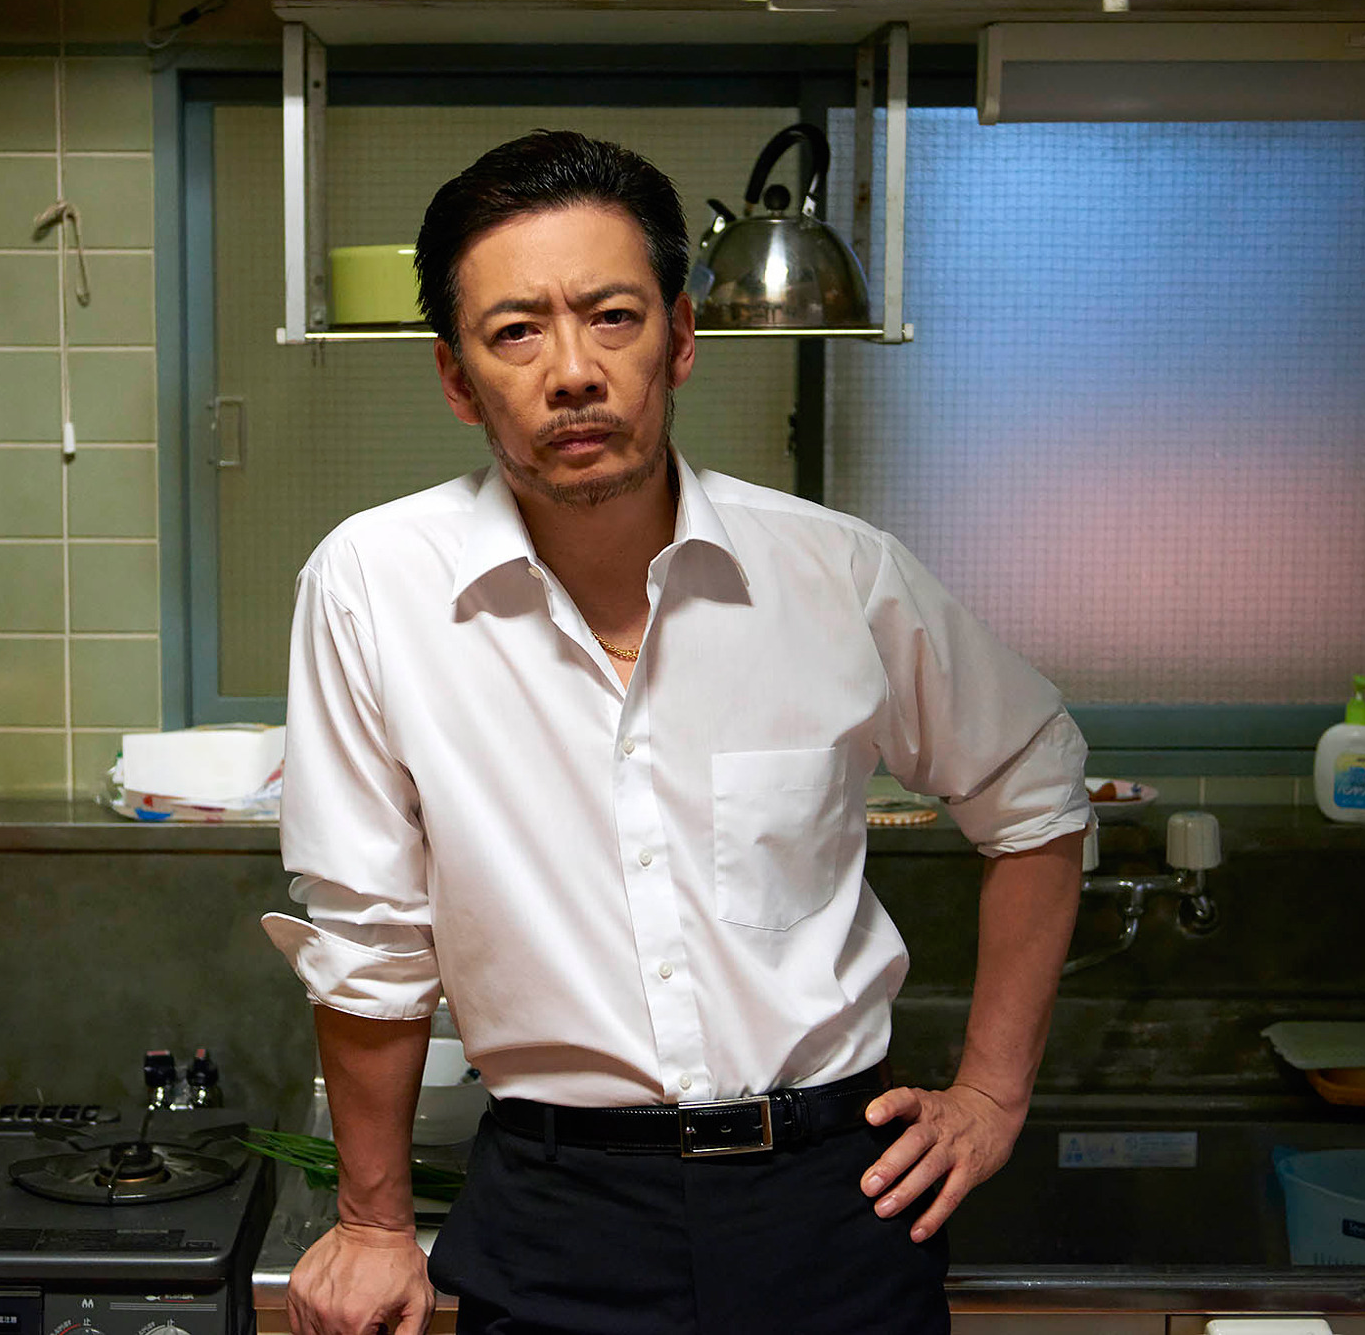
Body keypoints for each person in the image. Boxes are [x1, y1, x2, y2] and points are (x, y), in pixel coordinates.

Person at [263, 130, 1092, 1335]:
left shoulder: (835, 574)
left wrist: (991, 1095)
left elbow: (1036, 786)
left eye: (612, 317)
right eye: (515, 332)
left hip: (833, 1196)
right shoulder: (372, 585)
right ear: (456, 378)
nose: (572, 371)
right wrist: (374, 1221)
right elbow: (371, 940)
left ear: (681, 337)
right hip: (557, 1207)